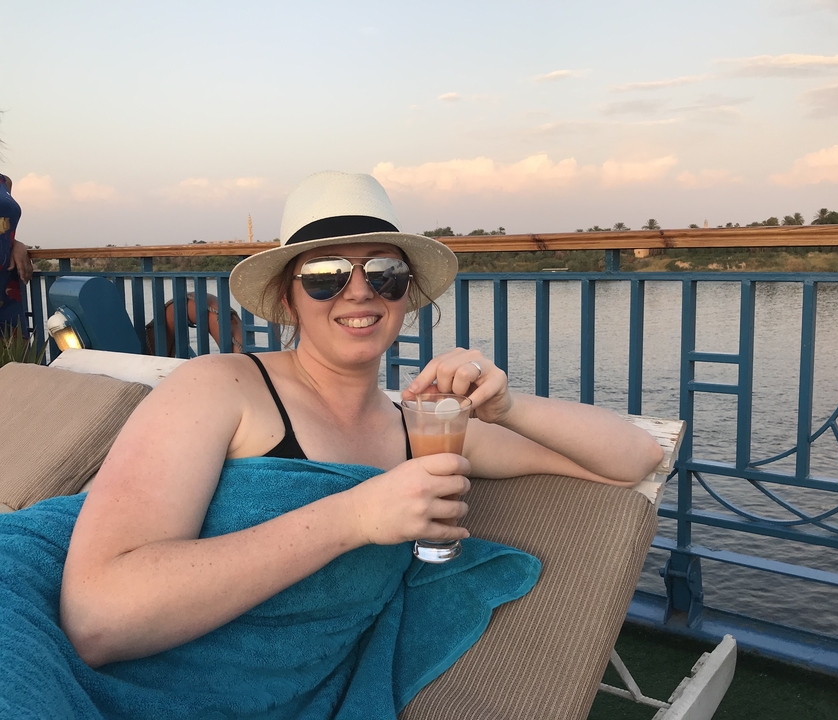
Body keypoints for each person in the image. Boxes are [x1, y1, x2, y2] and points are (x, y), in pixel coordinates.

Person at [51, 171, 663, 716]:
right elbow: (100, 619)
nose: (360, 291)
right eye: (325, 276)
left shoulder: (423, 428)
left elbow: (634, 458)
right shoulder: (221, 387)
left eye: (385, 272)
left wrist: (508, 406)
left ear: (405, 298)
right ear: (287, 298)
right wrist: (356, 517)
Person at [0, 172, 32, 336]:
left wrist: (16, 244)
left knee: (14, 356)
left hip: (6, 284)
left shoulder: (4, 182)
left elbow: (5, 227)